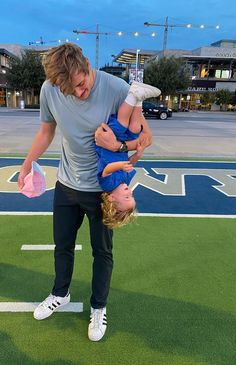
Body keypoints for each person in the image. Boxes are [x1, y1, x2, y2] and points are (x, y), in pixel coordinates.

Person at [18, 43, 153, 342]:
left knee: (102, 251)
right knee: (62, 245)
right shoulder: (49, 90)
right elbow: (46, 132)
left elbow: (146, 138)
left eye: (81, 84)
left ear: (88, 64)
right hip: (66, 184)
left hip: (102, 190)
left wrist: (116, 147)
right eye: (71, 90)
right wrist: (28, 164)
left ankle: (98, 307)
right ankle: (60, 293)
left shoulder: (117, 88)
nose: (79, 93)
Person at [95, 81, 161, 229]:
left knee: (122, 124)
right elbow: (130, 164)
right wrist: (137, 155)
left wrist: (119, 165)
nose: (129, 192)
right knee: (135, 128)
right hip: (121, 145)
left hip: (106, 142)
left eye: (126, 197)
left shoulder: (108, 186)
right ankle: (139, 99)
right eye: (131, 196)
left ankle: (132, 95)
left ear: (111, 198)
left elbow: (107, 170)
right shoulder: (125, 181)